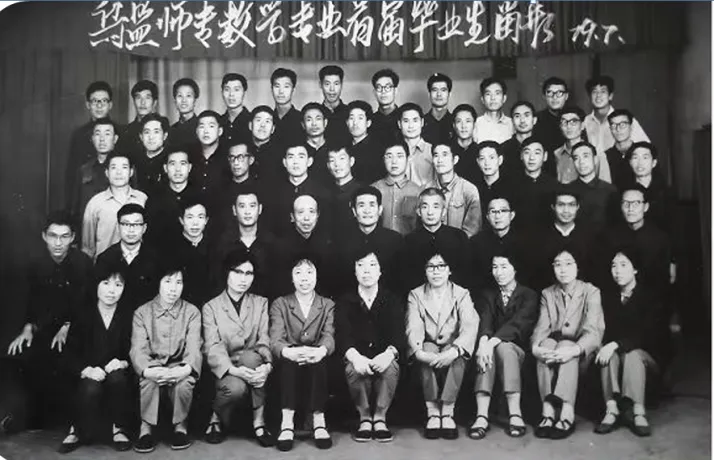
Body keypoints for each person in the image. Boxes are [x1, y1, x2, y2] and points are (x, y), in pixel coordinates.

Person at [6, 212, 92, 430]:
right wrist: (28, 328)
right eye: (53, 236)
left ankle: (69, 419)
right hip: (43, 327)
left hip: (76, 328)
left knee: (66, 354)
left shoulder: (83, 263)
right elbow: (28, 300)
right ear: (44, 236)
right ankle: (27, 416)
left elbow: (87, 303)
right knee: (20, 354)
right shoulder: (34, 263)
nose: (58, 243)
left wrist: (68, 326)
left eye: (64, 236)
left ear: (73, 237)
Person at [594, 249, 670, 438]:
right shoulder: (607, 297)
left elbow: (649, 335)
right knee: (607, 354)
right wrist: (608, 346)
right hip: (617, 361)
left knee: (632, 355)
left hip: (645, 362)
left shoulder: (650, 297)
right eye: (614, 266)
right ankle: (611, 409)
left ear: (635, 269)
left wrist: (616, 344)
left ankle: (638, 411)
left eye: (623, 265)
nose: (617, 271)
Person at [202, 251, 275, 447]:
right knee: (236, 388)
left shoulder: (260, 303)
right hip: (227, 368)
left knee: (252, 359)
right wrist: (234, 371)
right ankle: (215, 417)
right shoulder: (211, 307)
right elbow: (213, 346)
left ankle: (259, 421)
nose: (243, 279)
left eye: (249, 273)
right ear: (226, 273)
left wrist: (267, 366)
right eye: (237, 272)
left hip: (253, 362)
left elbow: (264, 339)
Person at [531, 249, 604, 440]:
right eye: (557, 265)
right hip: (555, 349)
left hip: (582, 352)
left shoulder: (591, 291)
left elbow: (594, 332)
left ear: (578, 267)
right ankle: (547, 411)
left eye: (568, 264)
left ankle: (566, 411)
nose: (563, 269)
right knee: (545, 345)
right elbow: (542, 326)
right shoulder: (548, 293)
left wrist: (574, 350)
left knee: (565, 346)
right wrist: (536, 347)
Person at [59, 267, 133, 453]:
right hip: (89, 371)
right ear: (97, 285)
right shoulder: (83, 313)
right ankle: (76, 430)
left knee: (118, 378)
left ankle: (119, 429)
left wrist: (123, 362)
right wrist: (87, 370)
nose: (111, 290)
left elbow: (134, 350)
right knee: (90, 387)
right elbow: (69, 353)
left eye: (118, 285)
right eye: (106, 283)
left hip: (116, 371)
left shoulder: (128, 315)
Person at [130, 264, 203, 453]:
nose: (173, 288)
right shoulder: (142, 312)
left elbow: (194, 346)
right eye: (168, 282)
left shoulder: (192, 312)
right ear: (158, 283)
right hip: (152, 366)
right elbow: (138, 349)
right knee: (148, 382)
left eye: (179, 282)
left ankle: (181, 427)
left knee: (185, 383)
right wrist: (149, 370)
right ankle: (145, 429)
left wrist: (185, 369)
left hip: (180, 366)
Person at [406, 252, 479, 440]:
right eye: (431, 267)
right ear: (425, 271)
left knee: (457, 356)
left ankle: (447, 411)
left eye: (441, 266)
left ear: (449, 270)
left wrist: (456, 350)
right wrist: (418, 351)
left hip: (452, 344)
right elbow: (413, 326)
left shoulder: (462, 294)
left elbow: (470, 324)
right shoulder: (416, 294)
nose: (436, 271)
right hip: (428, 343)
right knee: (427, 351)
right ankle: (432, 412)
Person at [336, 250, 405, 443]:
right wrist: (355, 357)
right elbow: (342, 334)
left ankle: (380, 417)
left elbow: (398, 334)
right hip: (358, 356)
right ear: (355, 271)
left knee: (391, 368)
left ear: (380, 271)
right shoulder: (345, 301)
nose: (366, 271)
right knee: (352, 369)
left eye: (372, 265)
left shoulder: (392, 299)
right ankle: (365, 417)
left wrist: (389, 354)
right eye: (361, 265)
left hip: (383, 354)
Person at [469, 252, 539, 440]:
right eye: (495, 267)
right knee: (488, 352)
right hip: (492, 348)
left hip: (518, 350)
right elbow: (485, 320)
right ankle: (481, 415)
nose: (498, 272)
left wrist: (491, 342)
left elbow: (518, 325)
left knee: (504, 348)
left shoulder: (529, 295)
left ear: (515, 269)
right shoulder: (488, 294)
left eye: (504, 267)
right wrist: (483, 342)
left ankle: (515, 412)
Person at [269, 258, 336, 451]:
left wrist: (321, 350)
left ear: (316, 276)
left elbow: (329, 335)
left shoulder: (327, 304)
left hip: (316, 356)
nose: (304, 278)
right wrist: (288, 351)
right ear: (291, 278)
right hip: (290, 357)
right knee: (288, 364)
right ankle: (287, 423)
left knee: (319, 362)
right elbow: (276, 338)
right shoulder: (280, 303)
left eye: (309, 272)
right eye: (298, 273)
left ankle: (319, 421)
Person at [334, 186, 404, 294]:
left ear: (380, 210)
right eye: (361, 205)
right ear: (354, 211)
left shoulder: (395, 240)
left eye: (372, 205)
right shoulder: (341, 240)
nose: (367, 211)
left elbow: (399, 281)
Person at [402, 188, 471, 293]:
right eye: (425, 207)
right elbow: (407, 279)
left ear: (444, 212)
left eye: (435, 207)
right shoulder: (409, 240)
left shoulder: (459, 236)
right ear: (418, 211)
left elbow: (466, 274)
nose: (430, 212)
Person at [81, 151, 148, 260]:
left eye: (124, 167)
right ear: (107, 173)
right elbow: (88, 247)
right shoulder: (95, 203)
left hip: (138, 265)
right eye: (114, 168)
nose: (119, 172)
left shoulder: (143, 199)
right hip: (105, 266)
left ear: (131, 172)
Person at [213, 186, 277, 299]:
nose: (247, 212)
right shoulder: (222, 243)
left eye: (252, 206)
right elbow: (217, 282)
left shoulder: (272, 243)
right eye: (242, 206)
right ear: (234, 210)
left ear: (260, 209)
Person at [95, 204, 158, 312]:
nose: (131, 230)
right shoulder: (105, 258)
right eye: (125, 224)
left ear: (144, 228)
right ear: (118, 227)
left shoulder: (156, 259)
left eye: (136, 224)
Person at [533, 187, 597, 289]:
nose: (566, 210)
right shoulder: (539, 237)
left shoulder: (590, 236)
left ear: (578, 207)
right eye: (561, 205)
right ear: (553, 207)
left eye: (571, 205)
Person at [265, 143, 333, 238]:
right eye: (291, 157)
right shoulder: (274, 193)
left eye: (301, 157)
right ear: (284, 162)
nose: (295, 162)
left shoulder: (323, 193)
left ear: (309, 161)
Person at [272, 195, 334, 298]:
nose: (306, 218)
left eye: (311, 212)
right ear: (292, 217)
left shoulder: (326, 246)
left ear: (317, 215)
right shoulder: (280, 247)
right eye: (301, 212)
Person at [65, 81, 117, 201]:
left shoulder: (120, 132)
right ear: (88, 105)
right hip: (86, 196)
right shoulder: (79, 135)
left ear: (110, 105)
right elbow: (71, 174)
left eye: (104, 101)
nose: (99, 106)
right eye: (95, 101)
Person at [583, 76, 650, 162]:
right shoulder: (585, 122)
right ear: (589, 96)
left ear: (610, 96)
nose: (598, 95)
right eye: (594, 92)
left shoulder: (625, 120)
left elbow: (646, 148)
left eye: (603, 91)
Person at [163, 199, 214, 307]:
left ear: (206, 220)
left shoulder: (215, 247)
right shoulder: (169, 249)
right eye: (190, 217)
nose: (195, 223)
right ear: (181, 220)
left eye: (200, 217)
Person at [470, 197, 526, 291]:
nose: (497, 216)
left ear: (512, 215)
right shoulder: (476, 242)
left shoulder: (524, 242)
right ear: (487, 217)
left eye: (503, 211)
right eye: (493, 211)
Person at [427, 142, 482, 237]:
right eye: (436, 155)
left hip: (460, 244)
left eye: (445, 155)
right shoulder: (427, 189)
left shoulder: (469, 189)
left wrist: (455, 243)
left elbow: (473, 228)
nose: (440, 160)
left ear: (455, 159)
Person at [144, 149, 195, 246]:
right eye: (172, 164)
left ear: (189, 167)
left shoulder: (200, 197)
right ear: (165, 168)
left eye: (183, 163)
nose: (178, 169)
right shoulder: (154, 199)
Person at [69, 117, 115, 226]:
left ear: (115, 139)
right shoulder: (84, 170)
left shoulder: (124, 169)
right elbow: (75, 208)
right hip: (88, 228)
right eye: (98, 134)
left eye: (107, 134)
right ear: (92, 139)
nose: (102, 139)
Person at [626, 141, 676, 239]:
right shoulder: (624, 192)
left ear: (654, 163)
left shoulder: (666, 193)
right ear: (630, 162)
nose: (640, 163)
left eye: (645, 157)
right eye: (635, 158)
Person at [371, 140, 421, 235]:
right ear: (383, 159)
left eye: (399, 156)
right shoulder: (373, 189)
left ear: (408, 159)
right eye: (389, 156)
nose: (394, 161)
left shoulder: (417, 191)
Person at [569, 142, 619, 234]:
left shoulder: (610, 190)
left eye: (585, 156)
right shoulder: (567, 190)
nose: (581, 162)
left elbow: (616, 225)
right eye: (576, 158)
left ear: (595, 159)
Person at [511, 138, 559, 230]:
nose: (531, 158)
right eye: (527, 153)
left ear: (545, 156)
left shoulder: (554, 185)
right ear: (521, 156)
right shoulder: (511, 184)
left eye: (537, 153)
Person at [189, 110, 229, 215]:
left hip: (222, 215)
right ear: (196, 131)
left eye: (211, 126)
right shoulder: (189, 157)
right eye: (202, 126)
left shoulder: (229, 157)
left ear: (220, 131)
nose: (206, 131)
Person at [118, 80, 167, 162]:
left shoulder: (164, 130)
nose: (142, 102)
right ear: (133, 102)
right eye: (138, 97)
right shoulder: (125, 133)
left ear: (155, 102)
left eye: (147, 98)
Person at [346, 100, 385, 184]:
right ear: (347, 122)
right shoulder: (343, 147)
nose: (355, 123)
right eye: (351, 118)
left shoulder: (378, 149)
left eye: (360, 118)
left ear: (368, 123)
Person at [327, 146, 362, 236]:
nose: (337, 164)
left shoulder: (362, 191)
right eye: (332, 160)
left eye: (342, 158)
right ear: (328, 165)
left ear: (351, 161)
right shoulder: (324, 192)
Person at [473, 141, 512, 222]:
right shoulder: (473, 187)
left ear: (500, 160)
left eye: (491, 158)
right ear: (478, 162)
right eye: (482, 158)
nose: (487, 163)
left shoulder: (512, 187)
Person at [533, 77, 569, 163]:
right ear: (544, 96)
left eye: (559, 93)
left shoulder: (574, 118)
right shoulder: (536, 120)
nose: (554, 97)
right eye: (550, 93)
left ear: (566, 96)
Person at [499, 101, 539, 179]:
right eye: (517, 116)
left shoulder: (543, 147)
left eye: (526, 115)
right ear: (512, 121)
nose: (522, 120)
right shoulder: (503, 149)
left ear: (534, 120)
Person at [135, 113, 170, 196]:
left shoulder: (171, 160)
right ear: (141, 136)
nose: (151, 137)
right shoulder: (135, 161)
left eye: (156, 132)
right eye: (147, 132)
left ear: (165, 136)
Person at [248, 105, 283, 186]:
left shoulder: (281, 154)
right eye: (258, 120)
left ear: (273, 129)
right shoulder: (242, 150)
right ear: (250, 125)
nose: (262, 125)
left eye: (267, 121)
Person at [301, 102, 333, 187]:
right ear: (303, 125)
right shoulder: (298, 150)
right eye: (309, 120)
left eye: (318, 119)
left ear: (325, 122)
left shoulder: (335, 148)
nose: (314, 124)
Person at [270, 68, 303, 150]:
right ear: (271, 89)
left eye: (286, 87)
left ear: (293, 90)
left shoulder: (302, 120)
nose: (281, 91)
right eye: (277, 86)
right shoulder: (267, 119)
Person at [552, 106, 586, 184]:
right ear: (560, 126)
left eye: (573, 122)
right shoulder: (556, 154)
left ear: (582, 125)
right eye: (564, 122)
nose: (569, 126)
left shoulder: (593, 153)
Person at [474, 77, 513, 143]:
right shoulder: (476, 125)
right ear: (482, 99)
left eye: (497, 93)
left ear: (504, 98)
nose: (493, 98)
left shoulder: (512, 124)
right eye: (488, 94)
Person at [604, 109, 637, 189]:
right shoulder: (604, 156)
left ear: (631, 127)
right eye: (613, 125)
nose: (618, 129)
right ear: (610, 129)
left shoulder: (643, 152)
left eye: (622, 125)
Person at [320, 65, 350, 148]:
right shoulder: (315, 114)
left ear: (342, 85)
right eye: (327, 84)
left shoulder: (350, 113)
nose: (332, 89)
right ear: (320, 85)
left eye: (336, 84)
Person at [451, 104, 481, 185]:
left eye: (468, 121)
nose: (463, 126)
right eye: (459, 121)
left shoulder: (480, 152)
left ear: (474, 124)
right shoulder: (447, 151)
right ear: (454, 125)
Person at [370, 68, 401, 143]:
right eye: (379, 87)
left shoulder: (404, 119)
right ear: (374, 92)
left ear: (395, 91)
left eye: (387, 87)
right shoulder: (370, 121)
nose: (383, 91)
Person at [220, 73, 251, 146]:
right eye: (227, 89)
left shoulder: (252, 121)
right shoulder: (218, 122)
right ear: (222, 93)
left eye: (236, 90)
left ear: (244, 92)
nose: (231, 94)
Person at [169, 78, 200, 151]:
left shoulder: (201, 128)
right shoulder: (170, 131)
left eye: (188, 96)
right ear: (175, 100)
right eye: (180, 96)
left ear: (195, 100)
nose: (184, 100)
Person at [422, 73, 453, 147]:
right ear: (429, 94)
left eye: (443, 90)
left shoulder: (455, 122)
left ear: (449, 94)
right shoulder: (421, 123)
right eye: (435, 90)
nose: (439, 94)